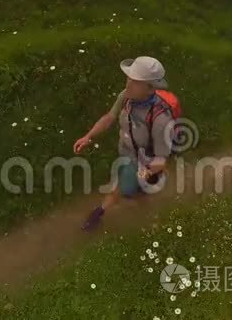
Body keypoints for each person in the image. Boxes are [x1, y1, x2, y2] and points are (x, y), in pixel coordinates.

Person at [74, 56, 175, 231]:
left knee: (123, 188)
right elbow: (109, 117)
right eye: (129, 77)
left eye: (135, 82)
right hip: (127, 154)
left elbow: (161, 159)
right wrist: (88, 136)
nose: (128, 84)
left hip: (145, 162)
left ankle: (99, 214)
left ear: (150, 88)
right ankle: (146, 211)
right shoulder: (126, 96)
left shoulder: (161, 119)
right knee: (133, 192)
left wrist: (145, 172)